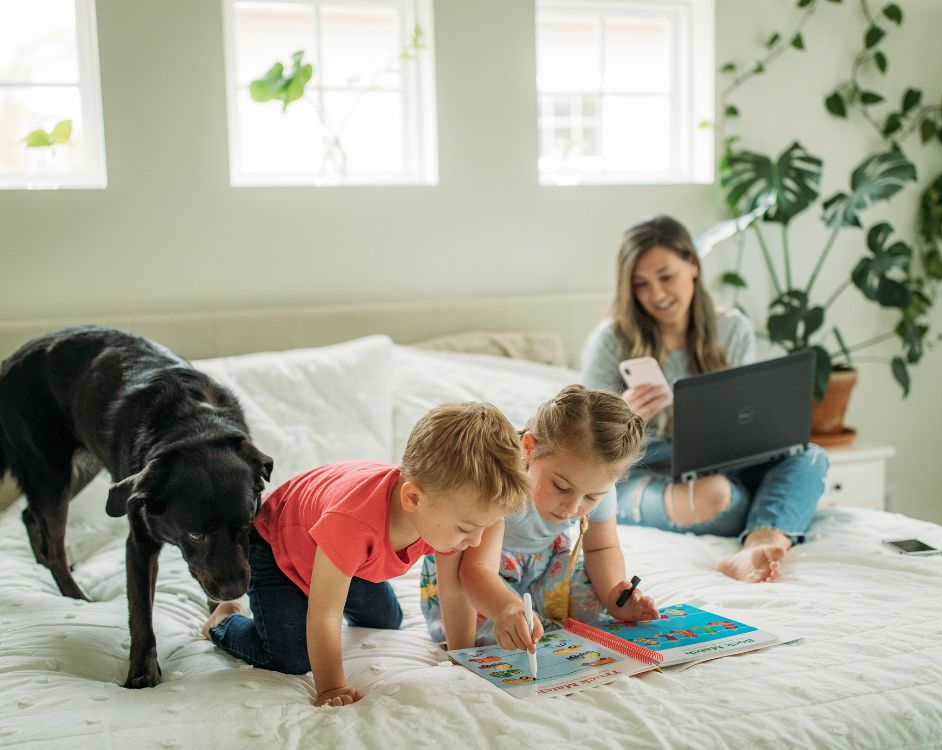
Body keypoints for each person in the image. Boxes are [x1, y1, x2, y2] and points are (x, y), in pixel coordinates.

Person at [201, 402, 531, 707]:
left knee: (387, 620)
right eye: (466, 529)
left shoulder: (443, 515)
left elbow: (453, 589)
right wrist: (331, 687)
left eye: (482, 529)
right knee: (292, 659)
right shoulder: (353, 523)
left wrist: (463, 656)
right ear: (412, 498)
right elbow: (325, 614)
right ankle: (223, 621)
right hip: (275, 545)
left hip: (343, 555)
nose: (474, 542)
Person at [580, 214, 829, 584]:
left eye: (666, 277)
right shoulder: (611, 340)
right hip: (642, 468)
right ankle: (775, 511)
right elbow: (583, 444)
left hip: (721, 460)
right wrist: (623, 416)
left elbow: (746, 420)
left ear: (693, 265)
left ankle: (759, 543)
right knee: (719, 497)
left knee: (810, 457)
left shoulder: (732, 329)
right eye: (641, 285)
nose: (658, 295)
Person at [420, 385, 658, 652]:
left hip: (545, 567)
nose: (573, 507)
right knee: (507, 635)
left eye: (591, 497)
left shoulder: (599, 486)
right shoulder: (502, 484)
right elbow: (475, 571)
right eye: (562, 487)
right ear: (529, 449)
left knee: (593, 606)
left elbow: (602, 547)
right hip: (482, 579)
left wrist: (615, 596)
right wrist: (507, 608)